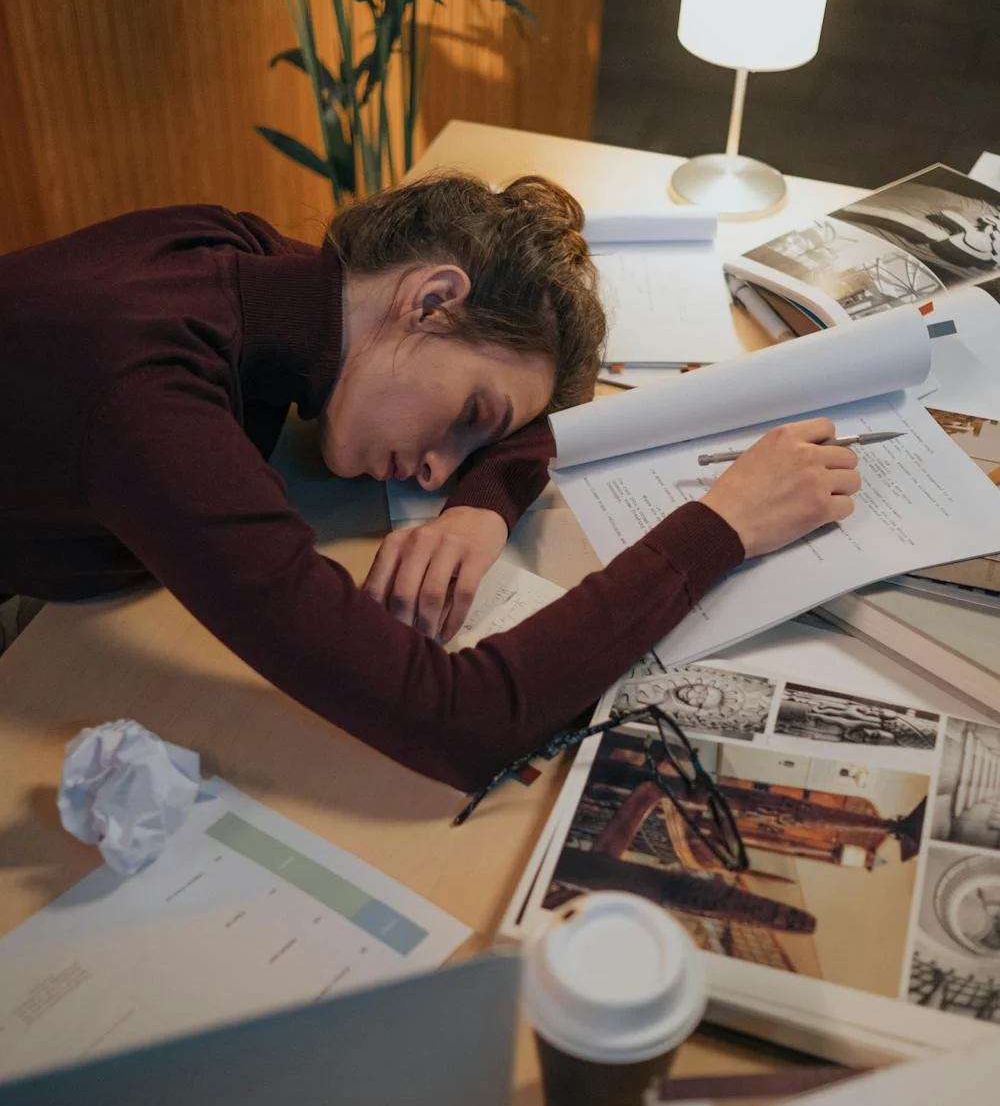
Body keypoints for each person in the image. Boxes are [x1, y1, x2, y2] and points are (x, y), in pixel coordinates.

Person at [0, 171, 861, 793]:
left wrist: (480, 508)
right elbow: (461, 721)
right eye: (470, 414)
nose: (436, 468)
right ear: (432, 298)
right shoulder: (145, 404)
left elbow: (542, 428)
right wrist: (722, 525)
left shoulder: (246, 261)